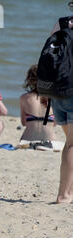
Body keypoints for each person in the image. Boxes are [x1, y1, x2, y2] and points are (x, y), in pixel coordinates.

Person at [50, 7, 73, 203]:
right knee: (72, 144)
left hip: (58, 91)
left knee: (70, 142)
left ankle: (69, 191)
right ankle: (64, 195)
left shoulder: (62, 22)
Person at [19, 65, 58, 142]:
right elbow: (55, 123)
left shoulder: (24, 98)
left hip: (28, 139)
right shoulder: (54, 98)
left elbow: (24, 123)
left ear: (30, 80)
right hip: (50, 140)